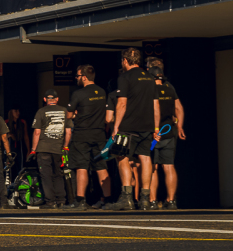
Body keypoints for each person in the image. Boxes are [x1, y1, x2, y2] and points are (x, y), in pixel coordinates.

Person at [105, 47, 160, 211]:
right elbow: (155, 105)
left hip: (128, 126)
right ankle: (145, 198)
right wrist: (156, 128)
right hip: (147, 125)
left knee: (121, 158)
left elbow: (122, 103)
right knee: (145, 158)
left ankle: (127, 198)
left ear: (125, 60)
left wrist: (116, 127)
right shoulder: (150, 78)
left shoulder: (125, 77)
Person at [68, 65, 112, 209]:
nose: (77, 78)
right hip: (99, 134)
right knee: (101, 167)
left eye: (78, 76)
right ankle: (108, 199)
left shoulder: (78, 94)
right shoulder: (102, 92)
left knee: (82, 167)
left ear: (84, 77)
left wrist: (75, 114)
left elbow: (68, 115)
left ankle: (80, 200)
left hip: (82, 134)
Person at [147, 58, 185, 210]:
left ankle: (152, 200)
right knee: (169, 166)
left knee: (153, 168)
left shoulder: (150, 91)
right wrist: (180, 127)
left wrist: (153, 130)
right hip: (169, 132)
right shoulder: (170, 88)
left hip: (154, 134)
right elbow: (179, 108)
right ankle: (171, 200)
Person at [31, 90, 73, 210]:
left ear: (45, 100)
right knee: (58, 175)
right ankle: (61, 200)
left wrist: (33, 149)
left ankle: (50, 202)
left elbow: (37, 132)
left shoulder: (41, 111)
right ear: (57, 99)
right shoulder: (65, 111)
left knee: (46, 176)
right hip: (58, 149)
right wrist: (65, 146)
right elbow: (68, 132)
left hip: (43, 149)